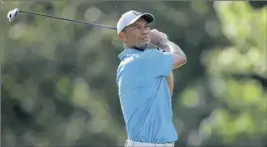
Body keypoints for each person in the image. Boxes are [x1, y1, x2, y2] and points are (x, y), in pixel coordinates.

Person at [116, 10, 187, 147]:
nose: (144, 31)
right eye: (137, 27)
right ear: (122, 36)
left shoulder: (134, 63)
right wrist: (162, 40)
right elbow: (181, 57)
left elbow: (168, 93)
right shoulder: (141, 60)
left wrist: (161, 48)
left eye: (146, 26)